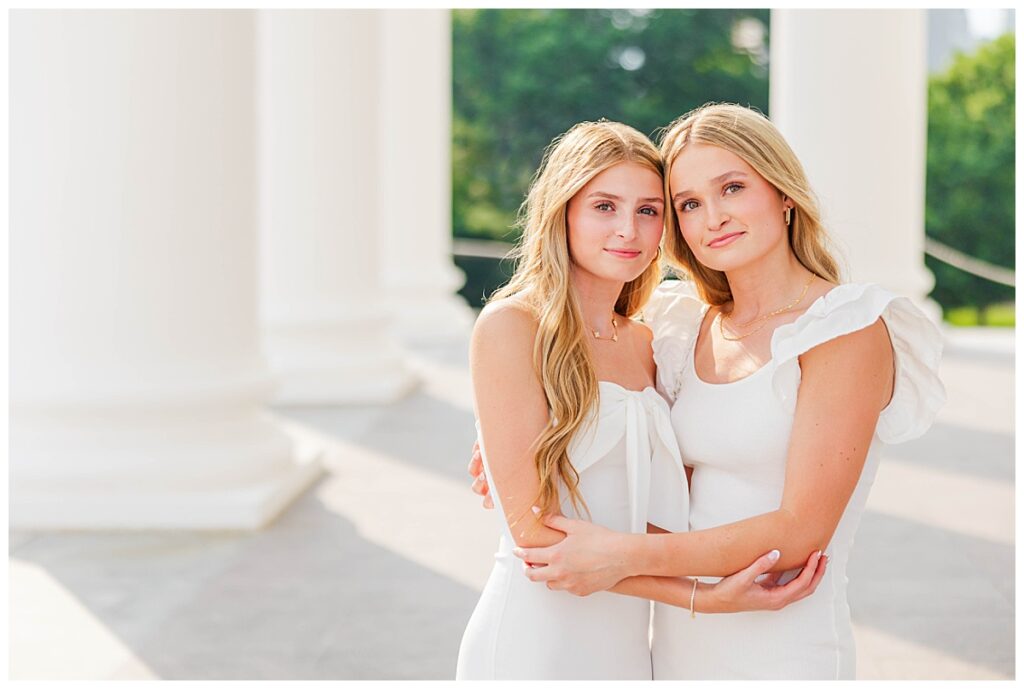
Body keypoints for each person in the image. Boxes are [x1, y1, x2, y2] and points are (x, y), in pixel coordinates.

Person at [469, 104, 945, 680]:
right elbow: (641, 472)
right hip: (667, 642)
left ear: (785, 193)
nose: (712, 217)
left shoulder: (844, 327)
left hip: (781, 632)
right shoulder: (682, 327)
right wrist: (510, 451)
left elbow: (799, 531)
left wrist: (640, 565)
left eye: (733, 188)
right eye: (690, 203)